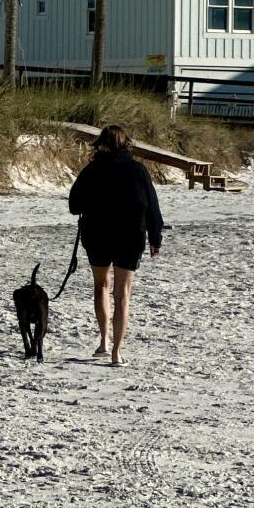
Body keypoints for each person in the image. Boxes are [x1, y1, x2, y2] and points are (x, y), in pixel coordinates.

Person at [67, 125, 163, 367]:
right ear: (126, 144)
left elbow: (74, 205)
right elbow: (152, 205)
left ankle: (103, 341)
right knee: (123, 293)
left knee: (101, 285)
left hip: (98, 234)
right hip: (130, 236)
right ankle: (117, 353)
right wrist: (155, 237)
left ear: (101, 144)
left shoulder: (92, 169)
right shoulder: (138, 169)